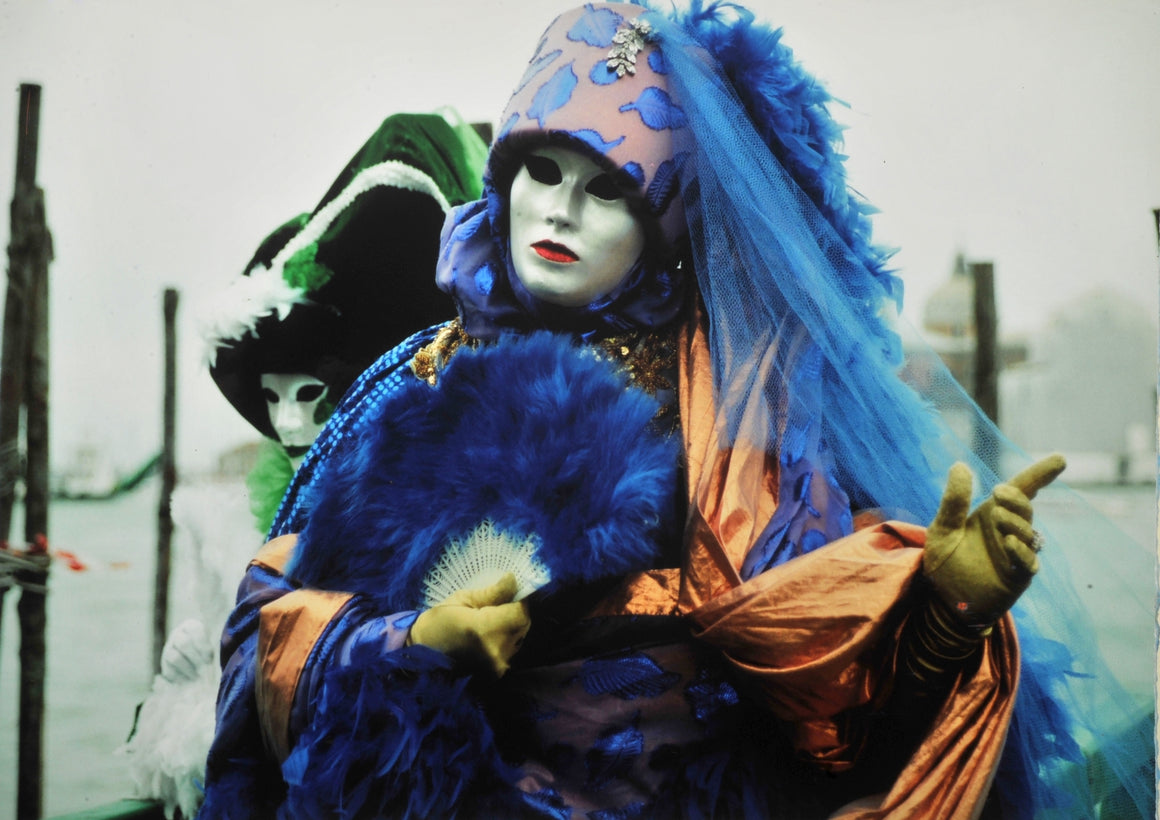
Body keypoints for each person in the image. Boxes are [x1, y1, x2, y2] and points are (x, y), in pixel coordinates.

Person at [199, 4, 1153, 818]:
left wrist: (941, 612)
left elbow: (831, 715)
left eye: (610, 188)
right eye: (542, 171)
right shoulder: (417, 377)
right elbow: (273, 628)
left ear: (665, 217)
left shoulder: (741, 412)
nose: (561, 214)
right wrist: (413, 645)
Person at [119, 111, 487, 819]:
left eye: (311, 396)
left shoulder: (426, 490)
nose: (290, 423)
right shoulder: (230, 524)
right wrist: (189, 688)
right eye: (272, 400)